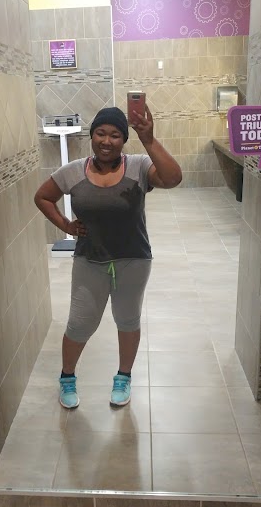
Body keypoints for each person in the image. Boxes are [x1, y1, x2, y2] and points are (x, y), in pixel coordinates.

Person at [34, 105, 182, 409]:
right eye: (100, 133)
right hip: (89, 260)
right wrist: (66, 225)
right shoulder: (74, 170)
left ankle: (123, 377)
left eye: (115, 135)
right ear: (92, 136)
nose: (106, 140)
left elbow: (172, 178)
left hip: (133, 260)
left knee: (127, 320)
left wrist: (149, 140)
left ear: (124, 140)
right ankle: (67, 378)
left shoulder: (138, 166)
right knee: (80, 323)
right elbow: (43, 197)